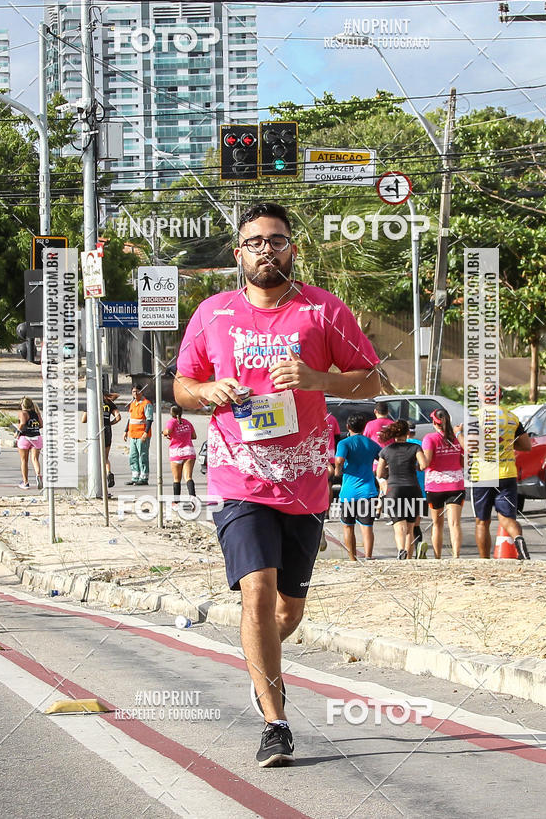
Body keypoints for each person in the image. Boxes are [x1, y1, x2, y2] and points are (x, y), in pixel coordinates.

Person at [173, 201, 380, 767]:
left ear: (293, 249)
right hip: (238, 478)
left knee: (286, 613)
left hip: (306, 483)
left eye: (278, 240)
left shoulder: (323, 310)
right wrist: (207, 392)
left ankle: (259, 661)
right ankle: (276, 720)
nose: (268, 248)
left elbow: (375, 379)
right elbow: (182, 387)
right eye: (256, 241)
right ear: (238, 253)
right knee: (257, 593)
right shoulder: (213, 313)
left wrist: (319, 378)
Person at [459, 387, 532, 560]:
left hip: (482, 475)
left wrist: (458, 433)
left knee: (482, 522)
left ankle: (485, 560)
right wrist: (505, 445)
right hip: (507, 474)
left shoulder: (474, 417)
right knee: (506, 518)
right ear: (500, 396)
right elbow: (526, 446)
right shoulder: (511, 417)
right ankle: (519, 539)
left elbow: (470, 447)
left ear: (480, 396)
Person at [376, 419, 427, 559]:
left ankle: (400, 550)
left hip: (394, 490)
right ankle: (408, 558)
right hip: (412, 489)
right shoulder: (415, 448)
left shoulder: (386, 450)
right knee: (410, 527)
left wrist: (389, 470)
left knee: (398, 525)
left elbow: (379, 474)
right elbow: (423, 465)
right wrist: (415, 466)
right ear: (407, 433)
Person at [334, 413, 381, 560]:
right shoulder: (371, 443)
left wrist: (337, 471)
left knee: (348, 526)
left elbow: (339, 460)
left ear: (348, 427)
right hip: (368, 491)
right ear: (364, 427)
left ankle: (352, 558)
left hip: (348, 492)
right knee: (367, 527)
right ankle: (368, 557)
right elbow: (383, 458)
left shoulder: (344, 443)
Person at [422, 409, 465, 559]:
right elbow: (463, 462)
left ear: (434, 422)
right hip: (456, 485)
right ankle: (456, 556)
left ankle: (437, 557)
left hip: (435, 486)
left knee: (437, 524)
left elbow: (426, 462)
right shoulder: (456, 439)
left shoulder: (429, 438)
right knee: (455, 524)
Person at [81, 392, 122, 488]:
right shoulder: (109, 403)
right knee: (105, 458)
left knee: (95, 457)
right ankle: (109, 473)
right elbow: (118, 417)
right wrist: (110, 423)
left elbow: (83, 419)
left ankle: (96, 482)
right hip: (107, 430)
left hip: (96, 430)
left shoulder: (91, 402)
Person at [163, 405, 197, 498]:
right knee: (188, 477)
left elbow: (168, 431)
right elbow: (194, 436)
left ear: (171, 413)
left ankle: (177, 501)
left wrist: (164, 433)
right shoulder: (187, 422)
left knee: (176, 478)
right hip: (189, 451)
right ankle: (193, 497)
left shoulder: (171, 422)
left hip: (176, 452)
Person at [406, 420, 429, 559]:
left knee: (405, 525)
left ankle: (407, 552)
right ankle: (419, 545)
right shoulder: (421, 445)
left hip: (404, 488)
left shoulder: (399, 446)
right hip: (421, 488)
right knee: (416, 523)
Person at [123, 386, 154, 485]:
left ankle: (144, 477)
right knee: (133, 456)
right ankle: (135, 476)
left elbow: (149, 419)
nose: (135, 394)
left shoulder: (146, 404)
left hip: (142, 435)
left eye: (137, 392)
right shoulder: (133, 404)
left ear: (141, 392)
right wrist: (126, 430)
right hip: (133, 434)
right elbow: (130, 419)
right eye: (133, 392)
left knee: (142, 456)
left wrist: (145, 432)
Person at [320, 411, 341, 552]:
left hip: (316, 452)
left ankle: (320, 511)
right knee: (329, 485)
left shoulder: (311, 415)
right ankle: (327, 512)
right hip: (331, 453)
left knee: (319, 485)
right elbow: (338, 437)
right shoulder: (332, 418)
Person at [16, 396, 43, 489]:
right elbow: (41, 424)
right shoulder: (36, 413)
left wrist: (17, 432)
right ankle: (38, 475)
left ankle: (25, 482)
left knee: (24, 461)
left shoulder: (22, 413)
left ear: (22, 405)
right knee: (35, 459)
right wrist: (33, 428)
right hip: (36, 437)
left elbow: (22, 423)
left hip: (25, 437)